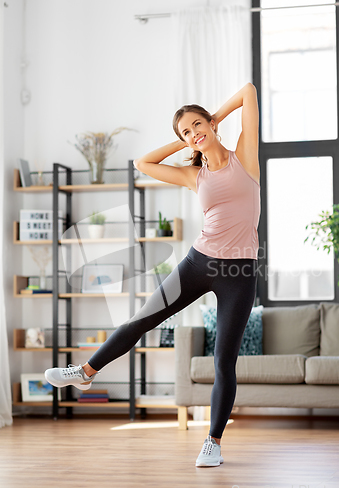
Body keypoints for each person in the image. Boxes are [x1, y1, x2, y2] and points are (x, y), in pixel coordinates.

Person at [45, 82, 261, 467]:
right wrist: (186, 145)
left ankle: (213, 441)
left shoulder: (244, 156)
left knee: (223, 359)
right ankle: (86, 371)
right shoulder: (194, 176)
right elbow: (142, 164)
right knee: (142, 318)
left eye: (198, 125)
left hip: (240, 273)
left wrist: (212, 118)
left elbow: (247, 91)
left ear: (211, 124)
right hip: (199, 262)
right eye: (186, 131)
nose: (194, 133)